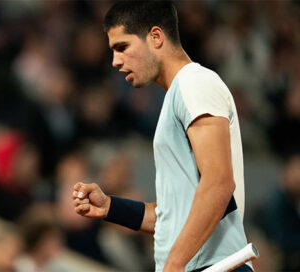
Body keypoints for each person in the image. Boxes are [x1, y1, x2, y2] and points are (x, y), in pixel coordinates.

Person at [72, 1, 252, 272]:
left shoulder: (194, 82)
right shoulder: (180, 94)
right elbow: (174, 217)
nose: (115, 61)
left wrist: (175, 264)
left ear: (156, 37)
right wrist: (111, 206)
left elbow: (218, 184)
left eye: (122, 47)